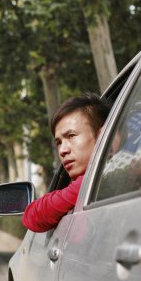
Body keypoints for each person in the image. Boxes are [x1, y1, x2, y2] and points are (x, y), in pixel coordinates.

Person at [22, 93, 111, 232]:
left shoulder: (103, 179)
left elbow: (32, 217)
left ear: (103, 136)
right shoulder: (85, 185)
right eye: (58, 142)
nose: (62, 150)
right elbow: (32, 217)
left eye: (71, 136)